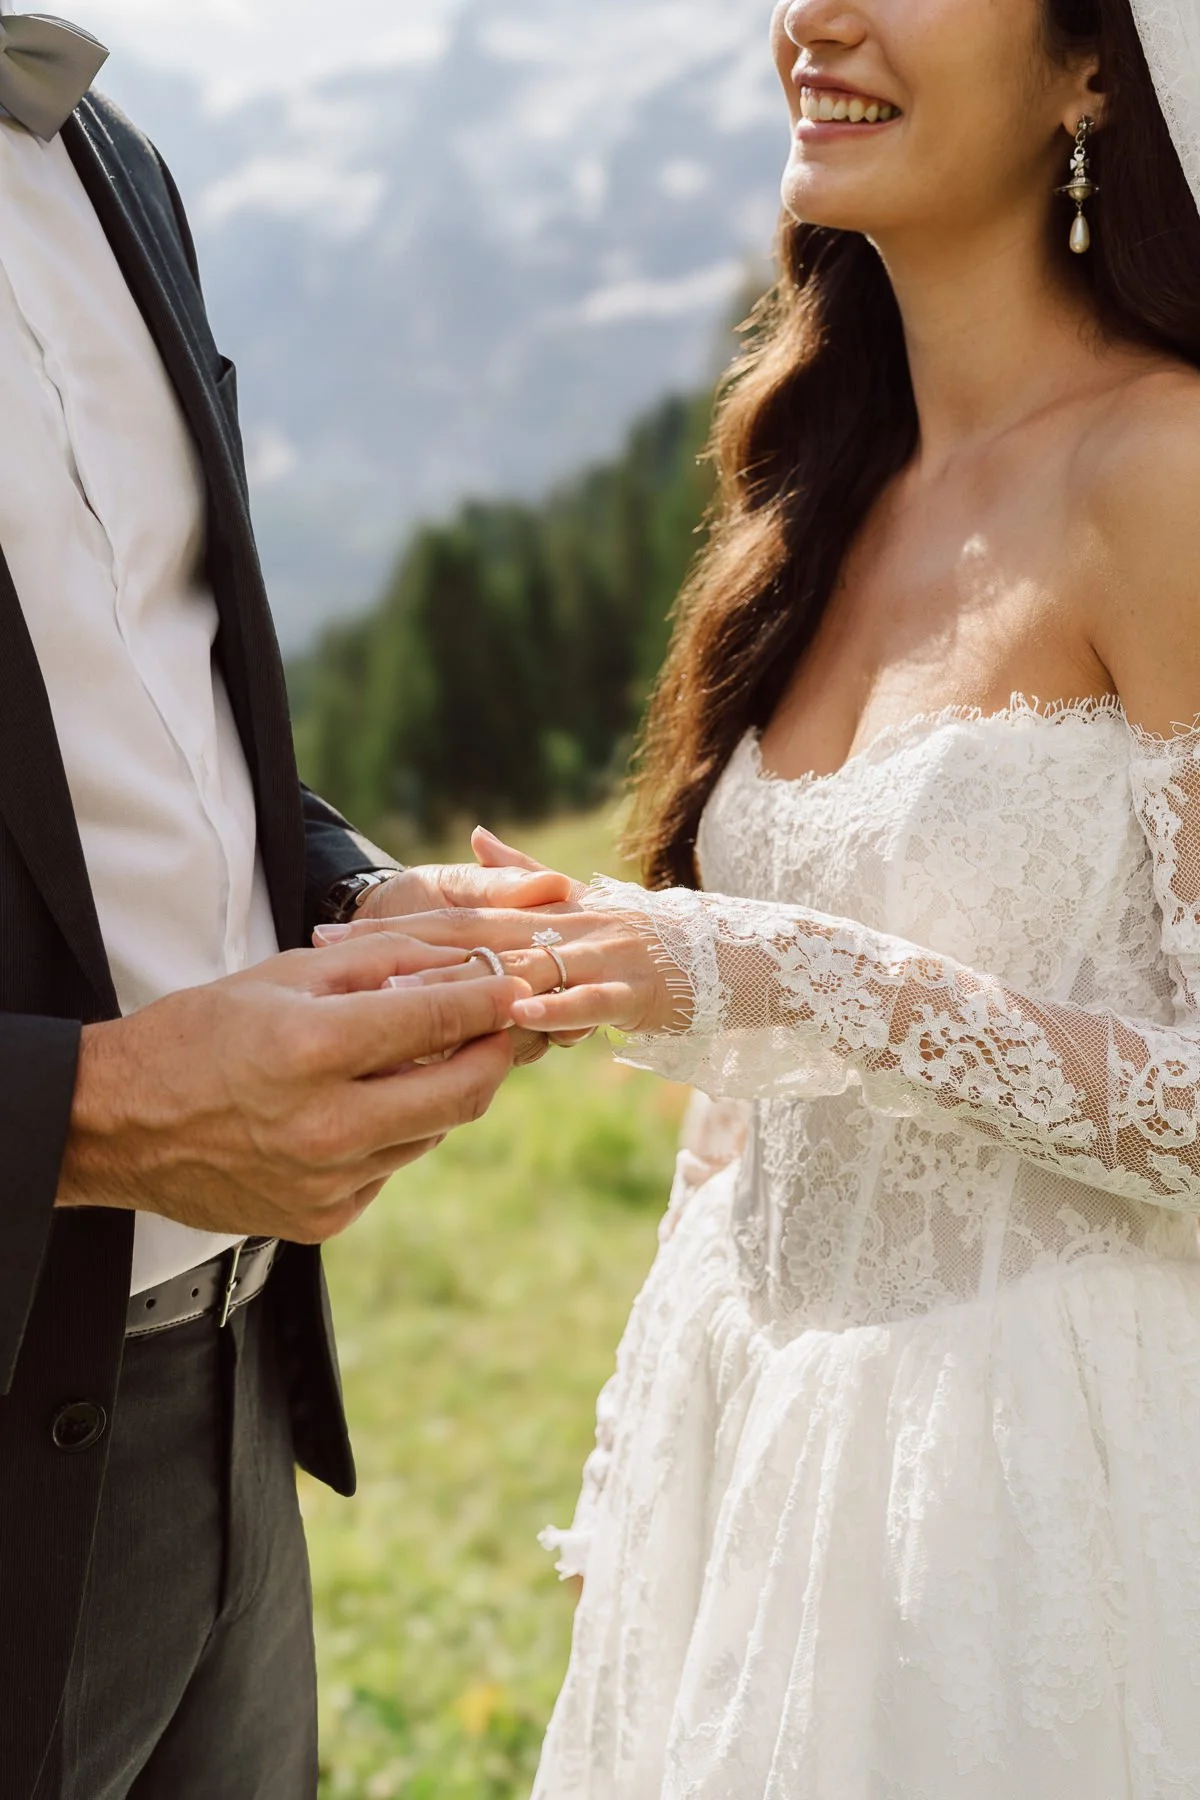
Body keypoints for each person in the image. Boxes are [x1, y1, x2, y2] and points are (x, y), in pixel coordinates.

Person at [338, 0, 1200, 1787]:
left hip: (1045, 1501)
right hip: (763, 1476)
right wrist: (650, 1482)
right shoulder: (818, 490)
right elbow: (744, 1112)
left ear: (1096, 68)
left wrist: (762, 972)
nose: (817, 12)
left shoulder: (1167, 476)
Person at [0, 15, 573, 1799]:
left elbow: (154, 718)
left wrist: (354, 899)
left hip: (229, 1413)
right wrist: (88, 1117)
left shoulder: (110, 165)